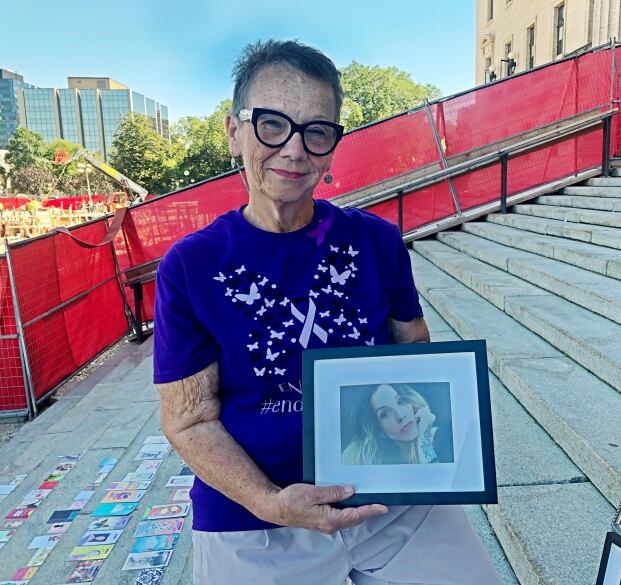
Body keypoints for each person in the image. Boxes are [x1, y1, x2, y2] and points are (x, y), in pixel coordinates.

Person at [153, 39, 502, 585]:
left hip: (390, 501)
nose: (294, 150)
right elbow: (188, 418)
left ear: (333, 146)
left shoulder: (378, 242)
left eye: (316, 131)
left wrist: (442, 430)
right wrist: (269, 501)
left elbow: (413, 348)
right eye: (272, 124)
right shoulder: (190, 267)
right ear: (233, 131)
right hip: (252, 522)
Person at [342, 383, 453, 465]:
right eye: (385, 414)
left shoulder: (445, 438)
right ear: (379, 429)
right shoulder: (378, 458)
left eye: (400, 401)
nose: (400, 416)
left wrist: (422, 440)